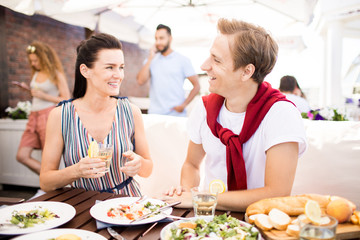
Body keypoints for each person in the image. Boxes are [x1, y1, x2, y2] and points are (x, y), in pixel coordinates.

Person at [164, 19, 307, 211]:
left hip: (259, 222)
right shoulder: (205, 108)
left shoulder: (281, 114)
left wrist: (202, 199)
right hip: (209, 220)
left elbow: (277, 193)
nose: (205, 66)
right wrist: (187, 192)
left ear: (247, 72)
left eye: (217, 60)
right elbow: (191, 164)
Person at [40, 33, 153, 196]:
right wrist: (76, 171)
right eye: (110, 67)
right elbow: (45, 182)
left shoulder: (131, 111)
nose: (119, 75)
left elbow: (147, 169)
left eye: (121, 67)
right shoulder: (60, 116)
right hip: (80, 205)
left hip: (127, 205)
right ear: (85, 71)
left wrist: (139, 163)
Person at [14, 41, 71, 175]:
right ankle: (55, 181)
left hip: (47, 116)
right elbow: (38, 94)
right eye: (31, 61)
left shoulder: (56, 75)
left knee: (49, 158)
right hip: (33, 117)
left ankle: (52, 185)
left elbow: (66, 98)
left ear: (44, 58)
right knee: (22, 155)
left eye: (35, 60)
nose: (32, 63)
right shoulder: (36, 73)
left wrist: (44, 96)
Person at [136, 24, 200, 117]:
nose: (158, 42)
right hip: (155, 114)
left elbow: (197, 86)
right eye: (156, 38)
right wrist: (150, 58)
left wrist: (184, 105)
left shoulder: (183, 60)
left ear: (170, 38)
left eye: (161, 38)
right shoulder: (151, 60)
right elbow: (140, 81)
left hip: (176, 115)